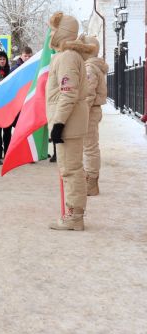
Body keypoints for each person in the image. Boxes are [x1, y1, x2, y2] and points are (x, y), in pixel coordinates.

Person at [46, 12, 93, 231]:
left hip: (68, 122)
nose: (51, 35)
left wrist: (58, 123)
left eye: (54, 31)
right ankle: (73, 213)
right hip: (71, 121)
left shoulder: (66, 57)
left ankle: (74, 216)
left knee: (70, 169)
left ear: (61, 33)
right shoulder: (68, 56)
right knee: (71, 168)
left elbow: (68, 93)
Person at [80, 35, 108, 196]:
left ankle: (91, 182)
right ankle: (90, 179)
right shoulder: (93, 65)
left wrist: (82, 112)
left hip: (89, 111)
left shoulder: (89, 68)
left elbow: (88, 94)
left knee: (89, 147)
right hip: (93, 110)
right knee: (90, 145)